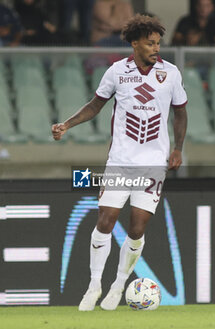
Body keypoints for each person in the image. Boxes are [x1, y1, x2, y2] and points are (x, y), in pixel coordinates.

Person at [52, 14, 188, 311]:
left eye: (158, 43)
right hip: (120, 162)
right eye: (150, 43)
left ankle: (118, 284)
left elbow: (180, 112)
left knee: (137, 228)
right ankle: (94, 284)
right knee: (105, 220)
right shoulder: (116, 72)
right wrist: (66, 125)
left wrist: (178, 148)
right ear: (135, 43)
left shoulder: (171, 73)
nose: (156, 48)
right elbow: (95, 106)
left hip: (153, 164)